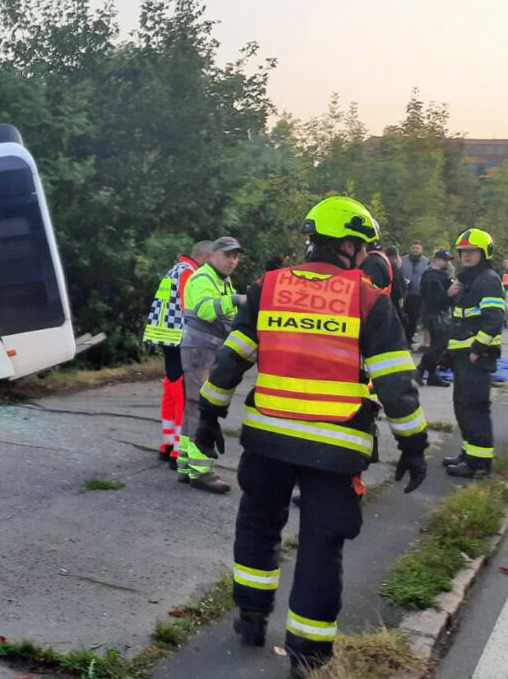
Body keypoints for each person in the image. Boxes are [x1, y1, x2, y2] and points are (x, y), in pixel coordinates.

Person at [195, 196, 427, 678]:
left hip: (267, 440)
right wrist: (413, 445)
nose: (365, 256)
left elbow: (231, 358)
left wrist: (209, 415)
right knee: (322, 546)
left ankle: (251, 618)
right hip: (336, 448)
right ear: (346, 244)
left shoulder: (267, 287)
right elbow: (396, 384)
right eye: (362, 247)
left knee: (258, 525)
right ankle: (309, 656)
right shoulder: (368, 300)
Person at [179, 236, 244, 494]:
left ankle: (186, 464)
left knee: (193, 405)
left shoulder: (221, 281)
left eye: (236, 256)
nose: (232, 260)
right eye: (228, 254)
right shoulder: (203, 278)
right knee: (201, 407)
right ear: (212, 254)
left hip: (204, 350)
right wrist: (239, 300)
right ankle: (201, 470)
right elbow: (207, 310)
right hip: (199, 350)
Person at [142, 240, 213, 464]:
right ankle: (178, 451)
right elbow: (189, 306)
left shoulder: (176, 269)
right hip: (178, 337)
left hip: (165, 336)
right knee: (184, 392)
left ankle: (168, 444)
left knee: (171, 389)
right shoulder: (189, 273)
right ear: (207, 256)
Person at [443, 229, 505, 479]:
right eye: (463, 252)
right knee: (463, 406)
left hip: (476, 357)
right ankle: (469, 454)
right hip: (463, 356)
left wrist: (477, 350)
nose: (466, 256)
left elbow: (493, 320)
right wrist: (452, 296)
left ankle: (479, 463)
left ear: (484, 253)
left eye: (472, 251)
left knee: (474, 407)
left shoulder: (488, 279)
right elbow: (461, 318)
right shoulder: (469, 280)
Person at [417, 249, 453, 387]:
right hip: (433, 314)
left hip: (439, 313)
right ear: (436, 259)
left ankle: (432, 373)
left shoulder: (441, 275)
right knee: (438, 343)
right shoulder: (431, 277)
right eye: (445, 260)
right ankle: (420, 370)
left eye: (448, 260)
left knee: (441, 344)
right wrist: (448, 294)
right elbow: (436, 298)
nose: (447, 263)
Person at [399, 242, 430, 346]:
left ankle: (409, 338)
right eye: (413, 247)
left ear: (421, 250)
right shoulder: (402, 260)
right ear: (410, 248)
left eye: (417, 248)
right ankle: (401, 338)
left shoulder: (426, 262)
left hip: (418, 294)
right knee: (402, 316)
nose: (415, 250)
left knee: (414, 318)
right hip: (404, 294)